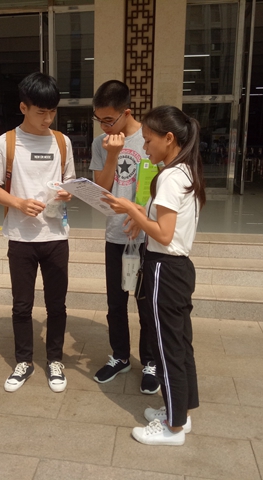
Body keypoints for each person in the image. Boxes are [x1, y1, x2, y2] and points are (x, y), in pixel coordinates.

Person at [102, 105, 205, 446]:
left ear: (169, 138)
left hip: (166, 269)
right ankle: (180, 412)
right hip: (178, 267)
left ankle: (173, 428)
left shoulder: (171, 177)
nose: (145, 147)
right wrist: (138, 214)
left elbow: (163, 233)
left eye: (148, 140)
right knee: (180, 344)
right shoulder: (185, 171)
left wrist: (130, 209)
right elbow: (165, 226)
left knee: (167, 348)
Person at [0, 72, 75, 394]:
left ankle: (55, 360)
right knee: (22, 306)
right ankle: (23, 360)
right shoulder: (5, 143)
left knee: (57, 305)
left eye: (52, 112)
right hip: (21, 237)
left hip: (56, 236)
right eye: (41, 112)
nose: (47, 119)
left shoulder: (62, 142)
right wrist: (18, 203)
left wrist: (67, 193)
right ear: (23, 108)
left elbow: (70, 182)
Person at [89, 80, 158, 394]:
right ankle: (120, 356)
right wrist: (112, 155)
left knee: (145, 304)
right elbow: (102, 189)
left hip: (147, 236)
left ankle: (150, 362)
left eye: (109, 119)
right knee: (115, 303)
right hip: (116, 234)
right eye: (99, 119)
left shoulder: (150, 138)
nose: (104, 126)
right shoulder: (101, 143)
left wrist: (143, 217)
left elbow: (161, 186)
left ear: (126, 113)